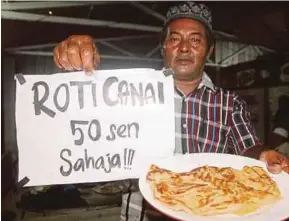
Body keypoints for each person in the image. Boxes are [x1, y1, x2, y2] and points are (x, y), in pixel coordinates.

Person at [53, 2, 289, 221]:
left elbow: (248, 146)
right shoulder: (129, 95)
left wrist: (265, 156)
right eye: (175, 39)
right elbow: (86, 116)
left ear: (209, 51)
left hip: (208, 213)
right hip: (142, 215)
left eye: (195, 40)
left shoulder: (230, 103)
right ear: (163, 47)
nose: (184, 48)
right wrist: (78, 67)